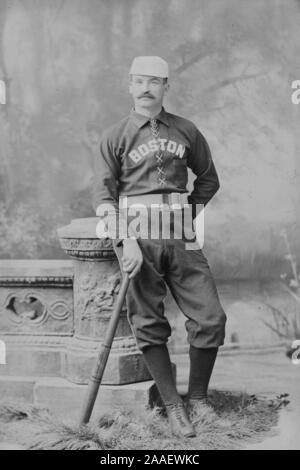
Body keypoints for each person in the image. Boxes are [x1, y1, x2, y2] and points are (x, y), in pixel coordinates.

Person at [92, 56, 226, 438]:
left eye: (155, 81)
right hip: (136, 237)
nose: (146, 87)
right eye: (139, 81)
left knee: (210, 317)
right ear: (129, 85)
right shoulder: (114, 135)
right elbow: (103, 198)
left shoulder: (186, 129)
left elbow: (208, 180)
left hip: (180, 233)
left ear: (166, 86)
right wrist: (126, 240)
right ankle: (173, 406)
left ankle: (197, 398)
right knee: (149, 323)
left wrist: (189, 212)